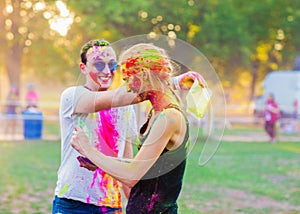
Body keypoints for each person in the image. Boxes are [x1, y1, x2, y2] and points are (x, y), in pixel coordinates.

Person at [52, 39, 205, 214]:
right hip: (73, 203)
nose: (107, 71)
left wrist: (133, 204)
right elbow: (119, 96)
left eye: (112, 65)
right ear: (83, 68)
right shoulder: (73, 96)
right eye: (99, 65)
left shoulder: (135, 110)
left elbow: (130, 164)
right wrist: (170, 81)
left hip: (111, 205)